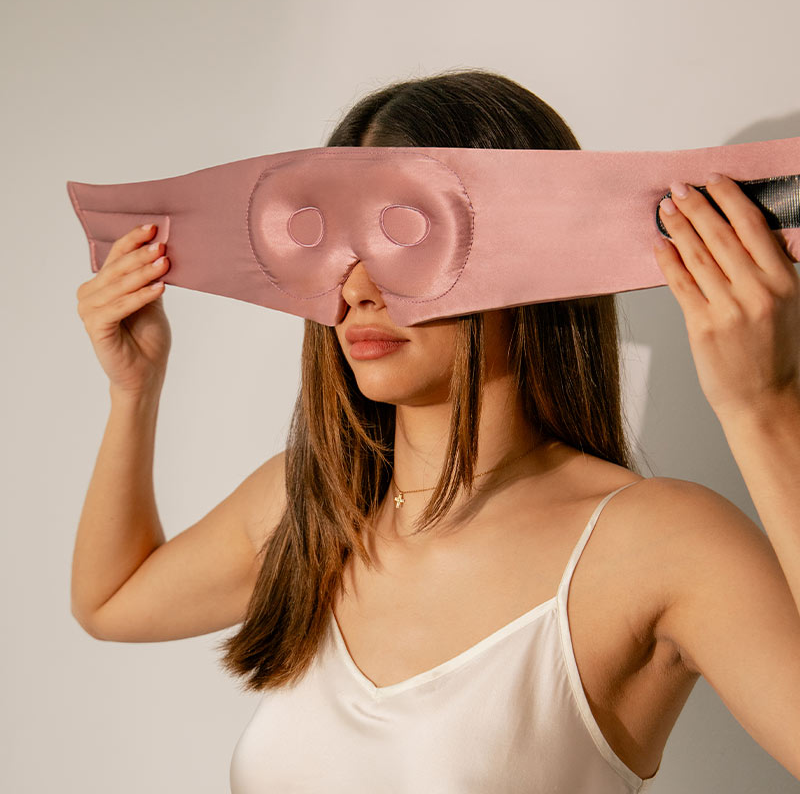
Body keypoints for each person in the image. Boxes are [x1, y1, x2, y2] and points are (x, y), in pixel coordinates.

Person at [71, 70, 800, 792]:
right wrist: (133, 390)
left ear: (536, 258)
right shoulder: (313, 505)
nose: (354, 288)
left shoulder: (659, 544)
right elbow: (112, 602)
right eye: (324, 245)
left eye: (403, 236)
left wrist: (762, 407)